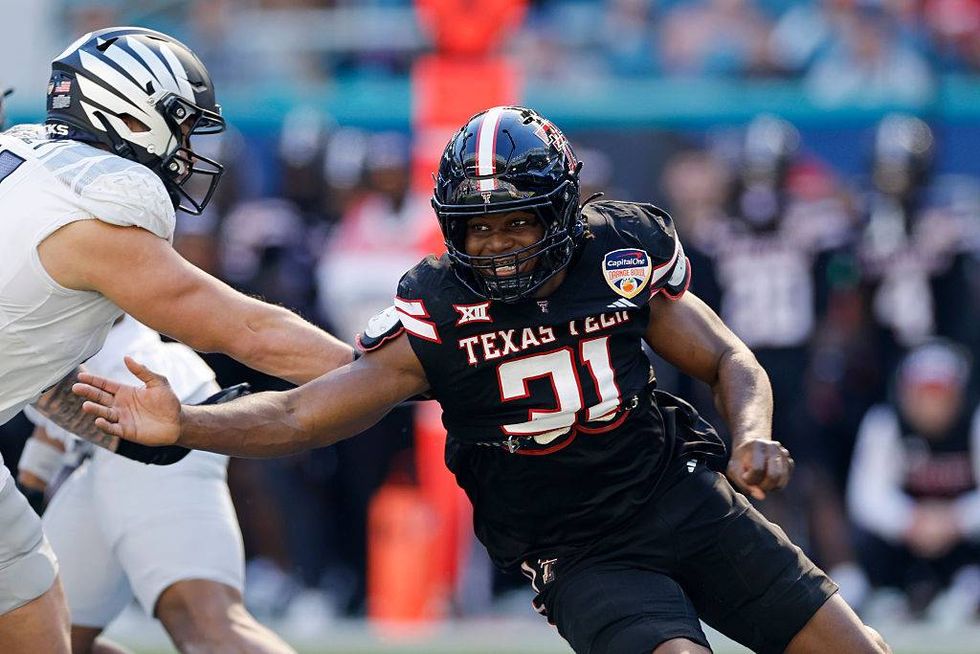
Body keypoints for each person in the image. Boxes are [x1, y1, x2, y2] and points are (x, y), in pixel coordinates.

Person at [75, 106, 890, 654]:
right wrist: (186, 424)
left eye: (518, 222)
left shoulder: (618, 253)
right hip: (578, 552)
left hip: (686, 498)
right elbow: (299, 417)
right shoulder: (435, 309)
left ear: (564, 209)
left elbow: (727, 359)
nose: (497, 245)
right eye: (479, 226)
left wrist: (752, 437)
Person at [0, 27, 351, 653]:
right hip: (134, 414)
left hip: (153, 410)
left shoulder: (33, 170)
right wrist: (404, 374)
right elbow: (248, 328)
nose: (187, 151)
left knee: (169, 624)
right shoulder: (97, 203)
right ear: (128, 109)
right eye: (181, 127)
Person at [19, 316, 295, 654]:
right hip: (98, 443)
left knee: (202, 623)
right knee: (37, 640)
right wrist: (30, 485)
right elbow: (49, 398)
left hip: (146, 417)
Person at [848, 340, 980, 618]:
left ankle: (966, 588)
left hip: (962, 539)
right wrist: (910, 521)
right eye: (923, 395)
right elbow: (865, 497)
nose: (931, 405)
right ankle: (888, 590)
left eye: (940, 395)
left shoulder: (975, 423)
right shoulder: (885, 422)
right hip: (906, 540)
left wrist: (955, 519)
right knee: (867, 538)